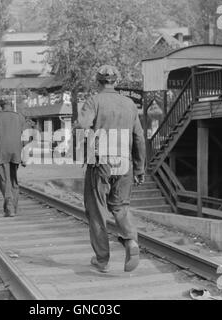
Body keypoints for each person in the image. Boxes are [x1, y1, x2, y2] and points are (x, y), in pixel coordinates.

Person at [74, 65, 146, 273]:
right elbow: (139, 138)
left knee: (96, 210)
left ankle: (102, 259)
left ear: (98, 81)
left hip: (101, 161)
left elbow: (82, 125)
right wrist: (139, 168)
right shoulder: (129, 103)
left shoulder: (94, 101)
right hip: (125, 163)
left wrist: (86, 144)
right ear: (116, 81)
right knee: (120, 206)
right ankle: (131, 241)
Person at [0, 99, 26, 216]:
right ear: (11, 105)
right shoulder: (20, 117)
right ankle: (14, 206)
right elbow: (25, 135)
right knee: (14, 179)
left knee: (4, 179)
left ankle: (9, 207)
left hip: (2, 152)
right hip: (16, 152)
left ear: (1, 106)